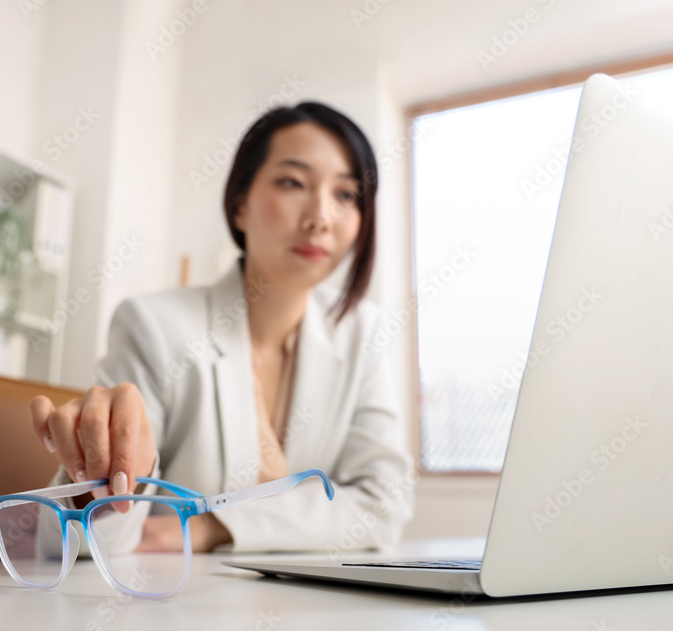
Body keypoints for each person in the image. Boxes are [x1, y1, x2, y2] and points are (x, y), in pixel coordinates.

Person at [28, 101, 414, 555]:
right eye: (293, 182)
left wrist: (213, 526)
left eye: (346, 195)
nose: (321, 217)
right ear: (239, 206)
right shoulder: (154, 326)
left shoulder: (362, 334)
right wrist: (109, 473)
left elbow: (384, 507)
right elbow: (77, 549)